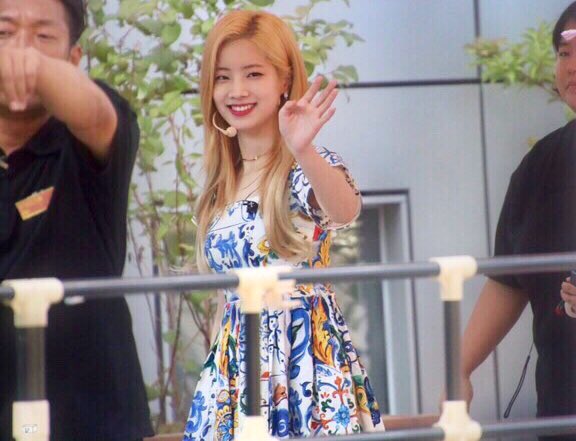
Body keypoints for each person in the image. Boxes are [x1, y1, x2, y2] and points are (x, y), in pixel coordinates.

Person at [183, 9, 384, 440]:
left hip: (303, 364)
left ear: (284, 79)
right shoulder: (221, 182)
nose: (237, 90)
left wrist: (303, 149)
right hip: (233, 373)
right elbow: (225, 300)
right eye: (222, 77)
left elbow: (344, 211)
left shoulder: (304, 164)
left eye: (253, 74)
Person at [0, 0, 153, 440]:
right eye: (4, 33)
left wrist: (33, 67)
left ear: (74, 58)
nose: (20, 51)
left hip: (93, 420)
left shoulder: (93, 130)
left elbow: (94, 112)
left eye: (43, 36)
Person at [461, 2, 576, 439]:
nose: (571, 66)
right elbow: (508, 278)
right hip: (562, 407)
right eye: (564, 53)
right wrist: (460, 369)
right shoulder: (542, 162)